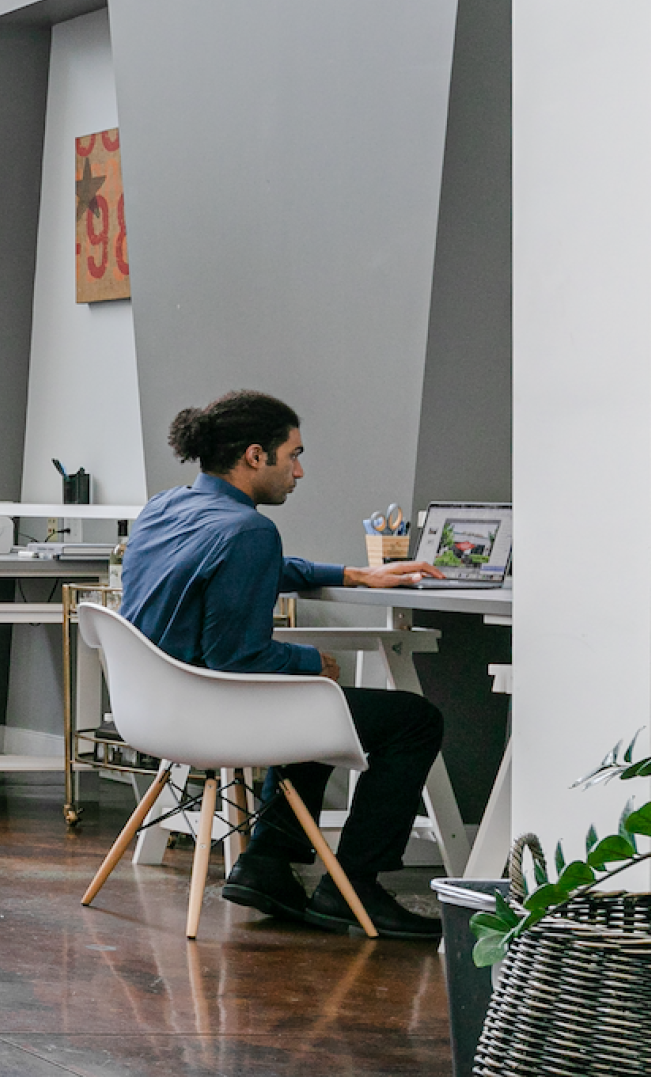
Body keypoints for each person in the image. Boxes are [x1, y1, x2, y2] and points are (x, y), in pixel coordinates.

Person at [120, 390, 446, 938]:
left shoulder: (166, 507)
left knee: (309, 703)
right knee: (414, 720)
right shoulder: (249, 530)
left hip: (153, 712)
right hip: (210, 716)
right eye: (293, 455)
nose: (299, 471)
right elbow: (236, 657)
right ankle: (353, 886)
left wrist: (354, 574)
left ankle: (267, 866)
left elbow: (255, 565)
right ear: (255, 456)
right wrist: (313, 661)